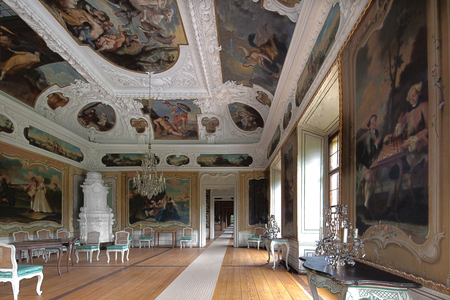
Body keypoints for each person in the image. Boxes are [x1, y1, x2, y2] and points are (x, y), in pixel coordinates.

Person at [381, 82, 428, 218]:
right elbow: (399, 135)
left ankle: (391, 205)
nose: (413, 98)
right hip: (406, 151)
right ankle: (394, 203)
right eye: (411, 96)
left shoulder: (424, 107)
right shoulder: (407, 113)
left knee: (395, 171)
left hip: (418, 150)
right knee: (394, 172)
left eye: (415, 95)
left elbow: (427, 129)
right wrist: (400, 127)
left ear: (418, 94)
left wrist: (412, 140)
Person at [358, 114, 383, 220]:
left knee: (371, 182)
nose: (374, 124)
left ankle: (366, 205)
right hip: (365, 163)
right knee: (369, 180)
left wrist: (382, 141)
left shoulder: (376, 132)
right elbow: (369, 152)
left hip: (372, 161)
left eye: (375, 122)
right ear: (369, 124)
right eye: (372, 123)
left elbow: (379, 147)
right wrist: (376, 144)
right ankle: (365, 206)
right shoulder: (369, 135)